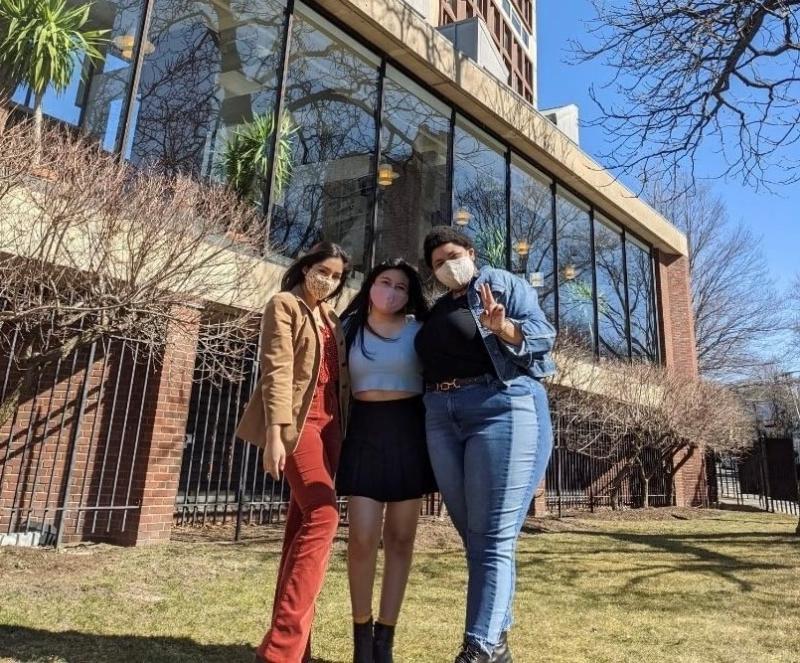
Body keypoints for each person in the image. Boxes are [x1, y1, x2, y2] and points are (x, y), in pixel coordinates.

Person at [414, 227, 556, 663]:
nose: (446, 266)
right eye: (437, 262)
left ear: (471, 253)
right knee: (475, 536)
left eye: (452, 255)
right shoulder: (437, 307)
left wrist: (506, 328)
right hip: (442, 414)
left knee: (493, 536)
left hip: (500, 405)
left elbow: (543, 334)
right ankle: (498, 644)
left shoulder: (499, 283)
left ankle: (477, 646)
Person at [235, 242, 351, 663]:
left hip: (332, 429)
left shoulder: (332, 318)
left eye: (337, 276)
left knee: (299, 530)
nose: (329, 280)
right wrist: (276, 433)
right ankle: (280, 652)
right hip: (300, 424)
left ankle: (298, 649)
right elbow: (277, 369)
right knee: (324, 515)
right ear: (306, 268)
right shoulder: (284, 304)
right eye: (323, 270)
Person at [336, 259, 436, 663]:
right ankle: (361, 634)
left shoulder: (420, 331)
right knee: (360, 537)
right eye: (384, 282)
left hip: (408, 432)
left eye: (401, 287)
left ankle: (384, 640)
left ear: (409, 295)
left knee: (400, 539)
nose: (391, 291)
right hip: (364, 430)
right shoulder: (348, 329)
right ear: (370, 284)